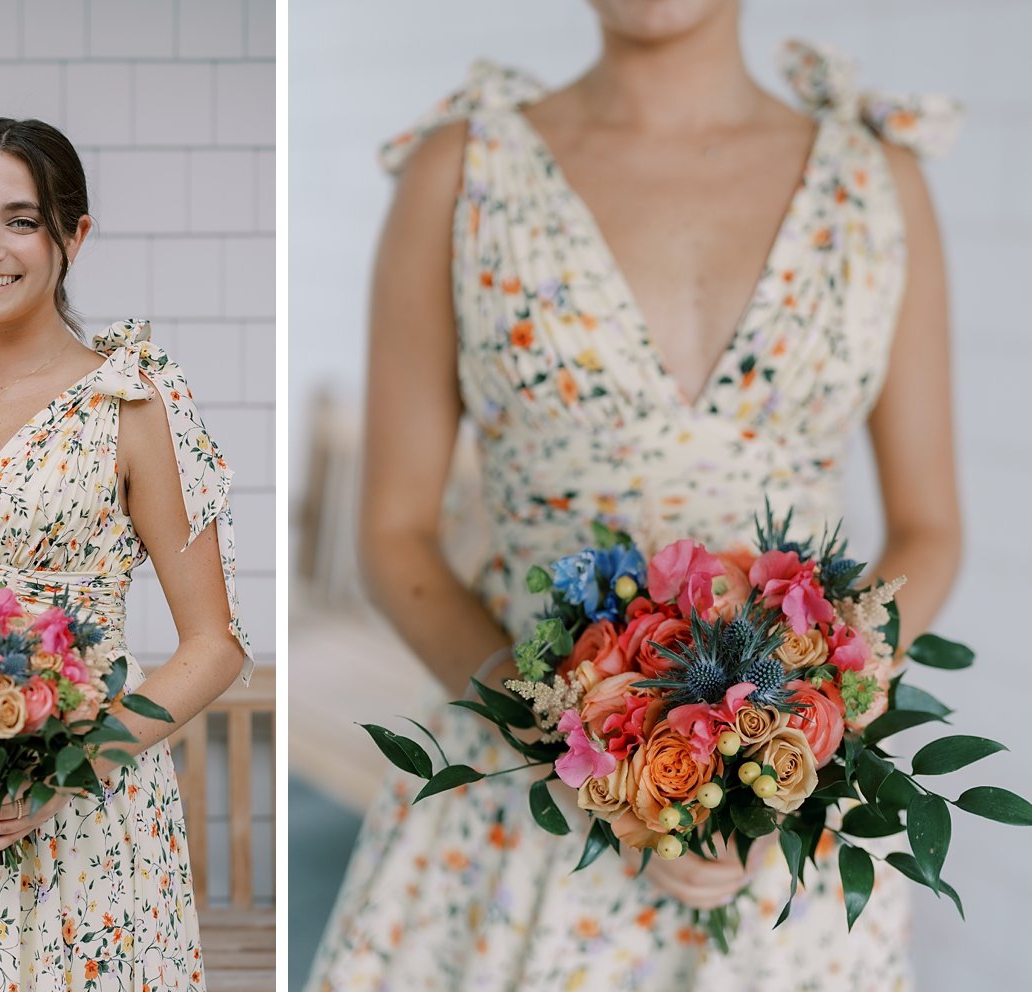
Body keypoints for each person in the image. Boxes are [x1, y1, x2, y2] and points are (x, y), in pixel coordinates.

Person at [307, 1, 961, 989]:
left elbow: (930, 525)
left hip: (782, 824)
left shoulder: (877, 181)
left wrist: (795, 744)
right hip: (523, 809)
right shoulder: (463, 173)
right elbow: (395, 534)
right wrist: (596, 760)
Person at [0, 118, 251, 991]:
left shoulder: (129, 400)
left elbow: (216, 646)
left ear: (72, 236)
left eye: (21, 220)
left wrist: (65, 771)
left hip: (85, 807)